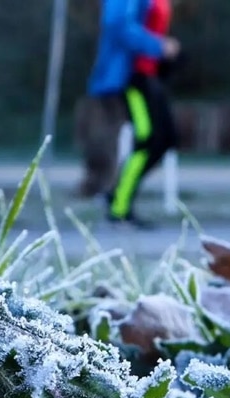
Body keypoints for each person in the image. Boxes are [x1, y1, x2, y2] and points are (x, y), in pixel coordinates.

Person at [88, 0, 181, 227]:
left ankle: (116, 195)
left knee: (166, 139)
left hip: (148, 75)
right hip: (130, 77)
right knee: (148, 139)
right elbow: (117, 25)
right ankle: (119, 208)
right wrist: (158, 46)